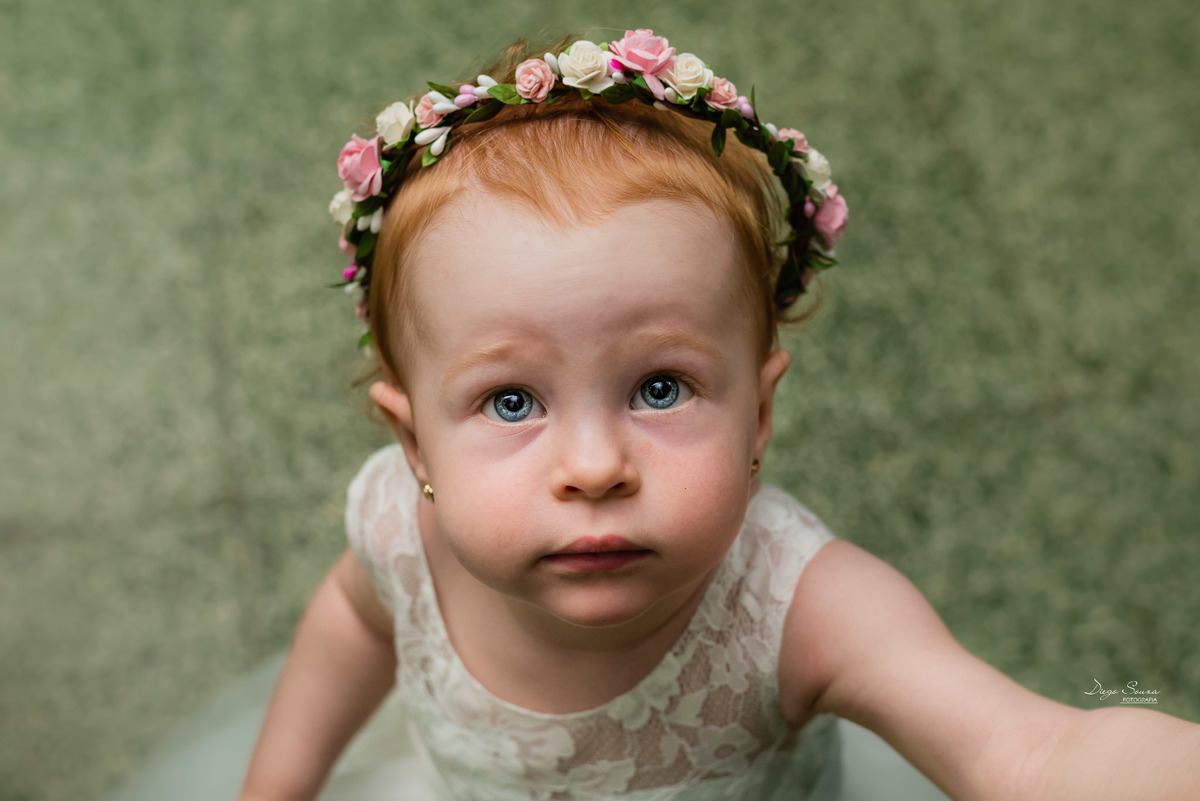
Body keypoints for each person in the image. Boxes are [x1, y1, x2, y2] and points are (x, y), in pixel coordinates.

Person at [234, 29, 1200, 801]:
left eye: (660, 387)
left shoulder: (805, 609)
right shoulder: (399, 527)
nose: (595, 464)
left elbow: (1028, 756)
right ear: (414, 445)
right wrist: (279, 782)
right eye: (512, 399)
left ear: (760, 413)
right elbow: (353, 626)